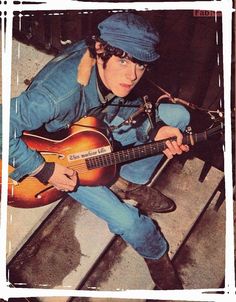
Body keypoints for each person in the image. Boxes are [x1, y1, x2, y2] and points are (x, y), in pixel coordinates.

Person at [7, 13, 190, 289]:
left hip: (93, 127)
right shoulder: (58, 96)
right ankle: (158, 259)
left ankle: (128, 182)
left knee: (178, 117)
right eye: (124, 60)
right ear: (101, 51)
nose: (132, 75)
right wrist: (44, 169)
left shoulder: (113, 68)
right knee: (132, 223)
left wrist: (154, 129)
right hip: (61, 157)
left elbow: (127, 103)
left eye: (140, 64)